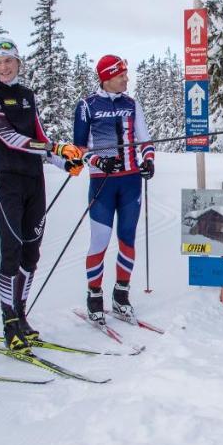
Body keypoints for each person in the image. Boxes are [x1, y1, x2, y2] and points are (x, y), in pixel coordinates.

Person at [0, 40, 84, 350]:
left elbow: (38, 136)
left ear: (18, 63)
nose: (4, 67)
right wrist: (53, 149)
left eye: (8, 61)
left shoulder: (27, 96)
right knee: (10, 250)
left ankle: (21, 315)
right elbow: (9, 138)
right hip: (7, 181)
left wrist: (64, 161)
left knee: (31, 253)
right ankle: (8, 321)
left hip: (34, 181)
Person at [73, 54, 155, 325]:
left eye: (126, 74)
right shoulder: (87, 106)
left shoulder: (131, 104)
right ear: (107, 77)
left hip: (131, 181)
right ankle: (94, 298)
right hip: (103, 182)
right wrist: (98, 160)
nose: (126, 79)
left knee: (127, 239)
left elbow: (145, 139)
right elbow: (79, 150)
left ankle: (121, 297)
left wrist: (149, 161)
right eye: (121, 75)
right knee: (99, 241)